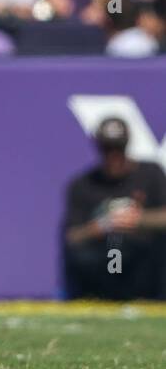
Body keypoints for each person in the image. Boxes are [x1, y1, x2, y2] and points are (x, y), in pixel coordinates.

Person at [63, 116, 166, 301]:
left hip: (146, 257)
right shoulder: (83, 184)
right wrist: (102, 226)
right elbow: (72, 236)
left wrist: (137, 220)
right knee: (111, 248)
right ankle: (101, 299)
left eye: (118, 148)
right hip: (107, 256)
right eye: (107, 149)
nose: (113, 155)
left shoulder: (151, 174)